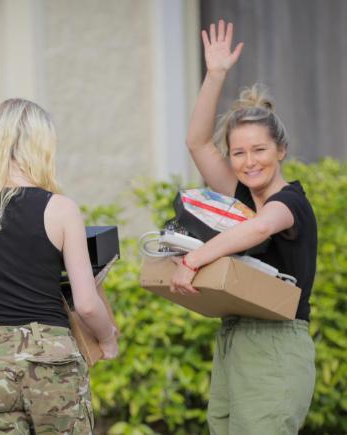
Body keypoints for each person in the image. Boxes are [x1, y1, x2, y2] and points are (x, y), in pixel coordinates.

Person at [0, 98, 118, 434]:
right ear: (43, 146)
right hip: (52, 356)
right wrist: (108, 339)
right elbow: (87, 305)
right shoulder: (60, 210)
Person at [170, 20, 317, 434]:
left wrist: (194, 259)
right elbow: (198, 143)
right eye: (238, 153)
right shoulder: (240, 194)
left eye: (259, 150)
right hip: (235, 340)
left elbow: (258, 230)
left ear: (281, 150)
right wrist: (215, 76)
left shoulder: (290, 203)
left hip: (276, 344)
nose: (249, 161)